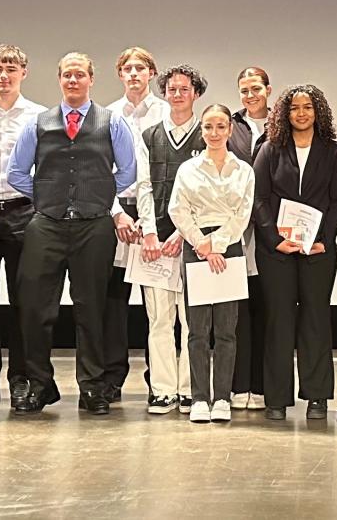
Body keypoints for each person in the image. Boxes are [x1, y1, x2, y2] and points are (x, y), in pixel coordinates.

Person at [6, 52, 136, 415]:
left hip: (94, 226)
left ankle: (92, 387)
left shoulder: (112, 123)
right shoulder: (39, 123)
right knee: (34, 309)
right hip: (46, 225)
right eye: (67, 75)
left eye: (79, 75)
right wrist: (49, 195)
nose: (73, 81)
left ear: (91, 79)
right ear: (59, 80)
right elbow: (16, 173)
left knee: (91, 309)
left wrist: (97, 196)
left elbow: (127, 172)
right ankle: (39, 385)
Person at [252, 84, 337, 421]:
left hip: (318, 250)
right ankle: (276, 397)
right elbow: (259, 198)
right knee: (279, 320)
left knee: (316, 319)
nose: (301, 113)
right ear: (284, 114)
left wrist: (325, 239)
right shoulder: (270, 149)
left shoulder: (334, 151)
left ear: (318, 111)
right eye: (294, 108)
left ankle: (317, 396)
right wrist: (274, 238)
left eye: (307, 107)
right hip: (276, 251)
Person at [0, 44, 47, 407]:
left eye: (11, 68)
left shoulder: (38, 116)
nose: (4, 75)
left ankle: (20, 377)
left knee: (22, 299)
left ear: (23, 73)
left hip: (22, 212)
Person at [169, 103, 255, 423]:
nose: (214, 133)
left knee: (227, 330)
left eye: (221, 126)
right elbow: (178, 210)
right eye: (208, 127)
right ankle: (200, 398)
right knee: (198, 330)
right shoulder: (188, 170)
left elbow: (242, 215)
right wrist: (201, 244)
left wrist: (217, 245)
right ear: (201, 130)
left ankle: (222, 397)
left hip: (229, 248)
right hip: (196, 248)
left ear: (230, 130)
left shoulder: (243, 170)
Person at [136, 64, 206, 415]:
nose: (177, 94)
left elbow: (207, 194)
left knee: (193, 319)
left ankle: (191, 388)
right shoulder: (149, 135)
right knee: (159, 319)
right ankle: (162, 389)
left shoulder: (206, 135)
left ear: (196, 94)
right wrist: (149, 231)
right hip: (157, 243)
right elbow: (145, 187)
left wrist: (184, 233)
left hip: (194, 241)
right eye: (171, 89)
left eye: (184, 89)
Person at [105, 46, 169, 404]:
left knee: (156, 302)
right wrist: (117, 213)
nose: (133, 73)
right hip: (116, 214)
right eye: (126, 68)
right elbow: (101, 170)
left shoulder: (165, 113)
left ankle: (156, 379)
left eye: (140, 67)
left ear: (151, 73)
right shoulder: (107, 114)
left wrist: (148, 222)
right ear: (120, 75)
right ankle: (113, 378)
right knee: (113, 299)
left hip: (155, 215)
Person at [227, 66, 271, 411]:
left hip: (271, 229)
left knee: (267, 311)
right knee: (237, 313)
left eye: (255, 88)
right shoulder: (230, 126)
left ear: (268, 90)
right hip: (236, 230)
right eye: (244, 90)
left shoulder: (282, 124)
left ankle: (262, 385)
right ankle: (238, 384)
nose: (250, 95)